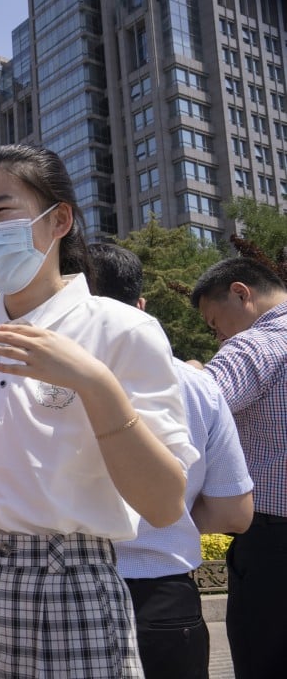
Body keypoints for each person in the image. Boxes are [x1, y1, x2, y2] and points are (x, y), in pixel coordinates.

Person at [0, 144, 197, 677]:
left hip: (70, 580)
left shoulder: (121, 330)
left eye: (2, 212)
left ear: (59, 218)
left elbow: (163, 503)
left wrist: (92, 381)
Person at [90, 243, 253, 679]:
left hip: (61, 594)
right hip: (164, 601)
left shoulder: (35, 382)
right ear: (141, 307)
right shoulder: (199, 386)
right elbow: (234, 513)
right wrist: (167, 513)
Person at [190, 257, 287, 679]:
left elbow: (196, 409)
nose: (219, 336)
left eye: (215, 323)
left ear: (241, 293)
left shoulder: (256, 345)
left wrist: (191, 373)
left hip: (274, 546)